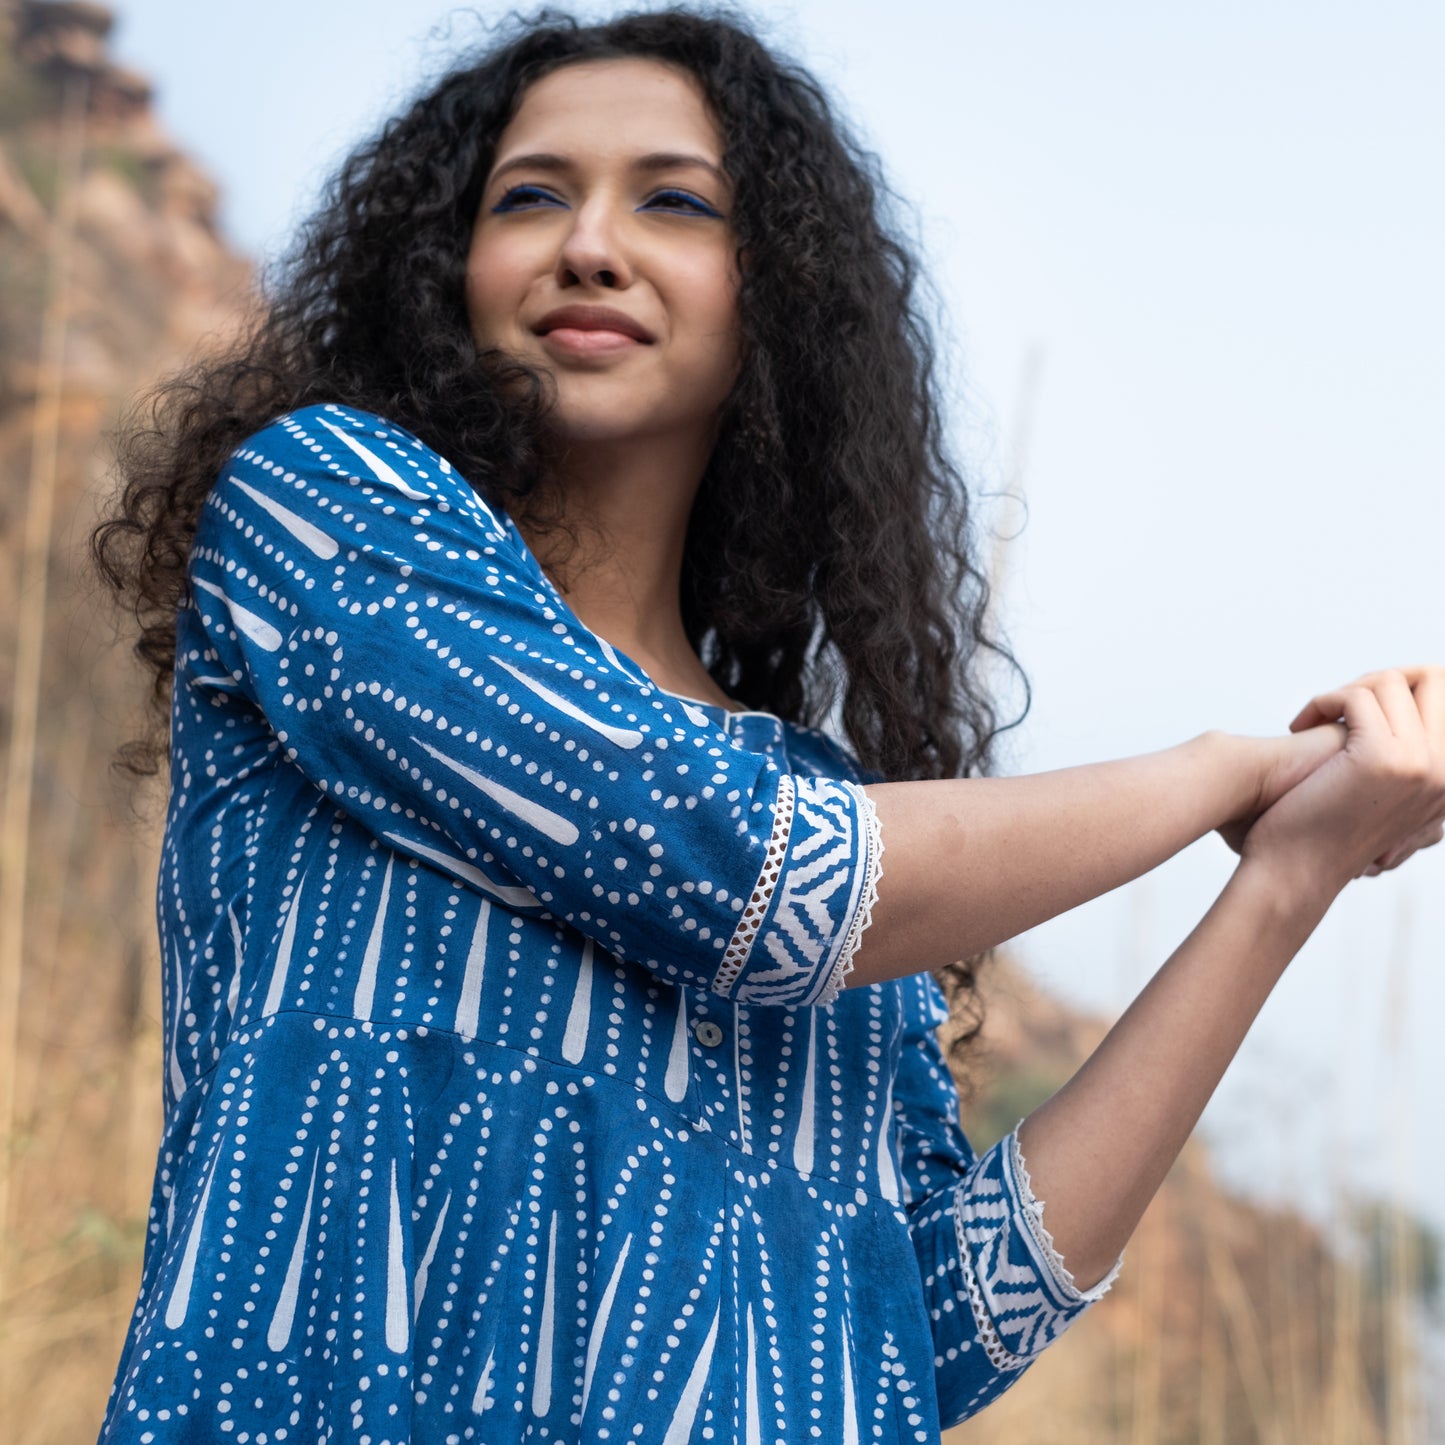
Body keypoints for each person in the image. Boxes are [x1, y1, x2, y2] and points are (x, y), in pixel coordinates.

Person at [91, 9, 1444, 1443]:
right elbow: (746, 876)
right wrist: (1219, 771)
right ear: (444, 269)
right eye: (529, 195)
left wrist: (1281, 878)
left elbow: (935, 1322)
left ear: (773, 293)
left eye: (673, 201)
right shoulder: (322, 512)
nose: (590, 244)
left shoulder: (821, 808)